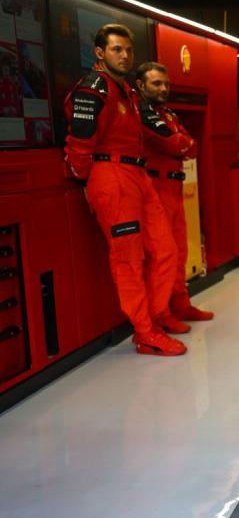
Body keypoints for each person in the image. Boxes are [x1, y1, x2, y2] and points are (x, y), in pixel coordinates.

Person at [64, 24, 186, 357]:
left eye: (129, 50)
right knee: (128, 260)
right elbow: (79, 144)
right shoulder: (93, 90)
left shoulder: (128, 93)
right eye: (117, 49)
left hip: (138, 174)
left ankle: (159, 315)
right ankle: (145, 332)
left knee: (165, 250)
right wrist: (90, 180)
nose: (125, 55)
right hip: (112, 175)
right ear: (100, 53)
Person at [135, 62, 214, 322]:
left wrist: (182, 143)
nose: (163, 88)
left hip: (174, 187)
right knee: (161, 254)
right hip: (153, 188)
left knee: (180, 251)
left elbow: (191, 147)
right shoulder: (139, 111)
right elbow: (172, 142)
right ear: (141, 85)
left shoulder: (168, 114)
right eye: (156, 83)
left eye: (166, 84)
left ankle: (180, 304)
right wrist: (181, 143)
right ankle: (160, 313)